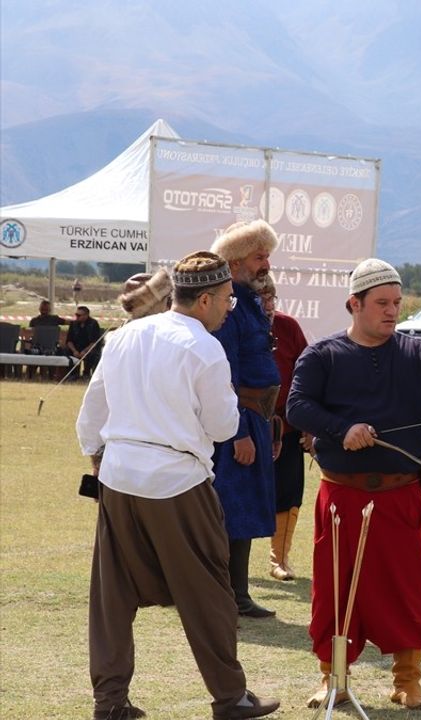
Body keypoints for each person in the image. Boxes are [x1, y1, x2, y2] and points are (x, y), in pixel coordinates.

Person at [287, 258, 421, 711]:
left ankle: (408, 680)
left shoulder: (418, 353)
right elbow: (298, 407)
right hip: (341, 497)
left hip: (400, 495)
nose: (391, 311)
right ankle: (334, 679)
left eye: (397, 303)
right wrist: (341, 428)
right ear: (354, 303)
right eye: (381, 303)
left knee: (406, 588)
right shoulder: (321, 355)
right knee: (334, 590)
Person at [75, 251, 280, 720]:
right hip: (178, 481)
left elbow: (91, 418)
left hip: (120, 478)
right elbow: (224, 426)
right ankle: (230, 698)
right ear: (205, 299)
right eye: (228, 298)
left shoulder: (123, 337)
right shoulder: (205, 348)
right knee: (208, 592)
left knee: (111, 598)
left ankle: (110, 703)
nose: (231, 306)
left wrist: (104, 464)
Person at [209, 220, 282, 618]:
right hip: (237, 419)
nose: (265, 264)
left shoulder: (248, 300)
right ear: (236, 262)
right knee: (230, 509)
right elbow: (227, 372)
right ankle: (227, 595)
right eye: (259, 256)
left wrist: (268, 426)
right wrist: (238, 430)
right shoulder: (229, 306)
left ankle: (237, 592)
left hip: (256, 417)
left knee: (246, 507)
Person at [256, 276, 311, 581]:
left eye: (271, 298)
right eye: (261, 299)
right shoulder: (233, 328)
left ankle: (280, 559)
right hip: (242, 426)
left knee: (288, 492)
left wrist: (308, 424)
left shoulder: (288, 327)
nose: (268, 306)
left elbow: (307, 375)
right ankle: (226, 562)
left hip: (287, 427)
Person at [65, 305, 105, 379]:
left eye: (79, 315)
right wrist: (74, 351)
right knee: (66, 352)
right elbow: (69, 340)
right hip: (76, 348)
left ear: (86, 315)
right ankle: (73, 374)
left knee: (93, 354)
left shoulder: (93, 324)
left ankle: (86, 373)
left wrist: (85, 351)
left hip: (89, 348)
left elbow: (95, 342)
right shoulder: (73, 324)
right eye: (76, 314)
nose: (77, 317)